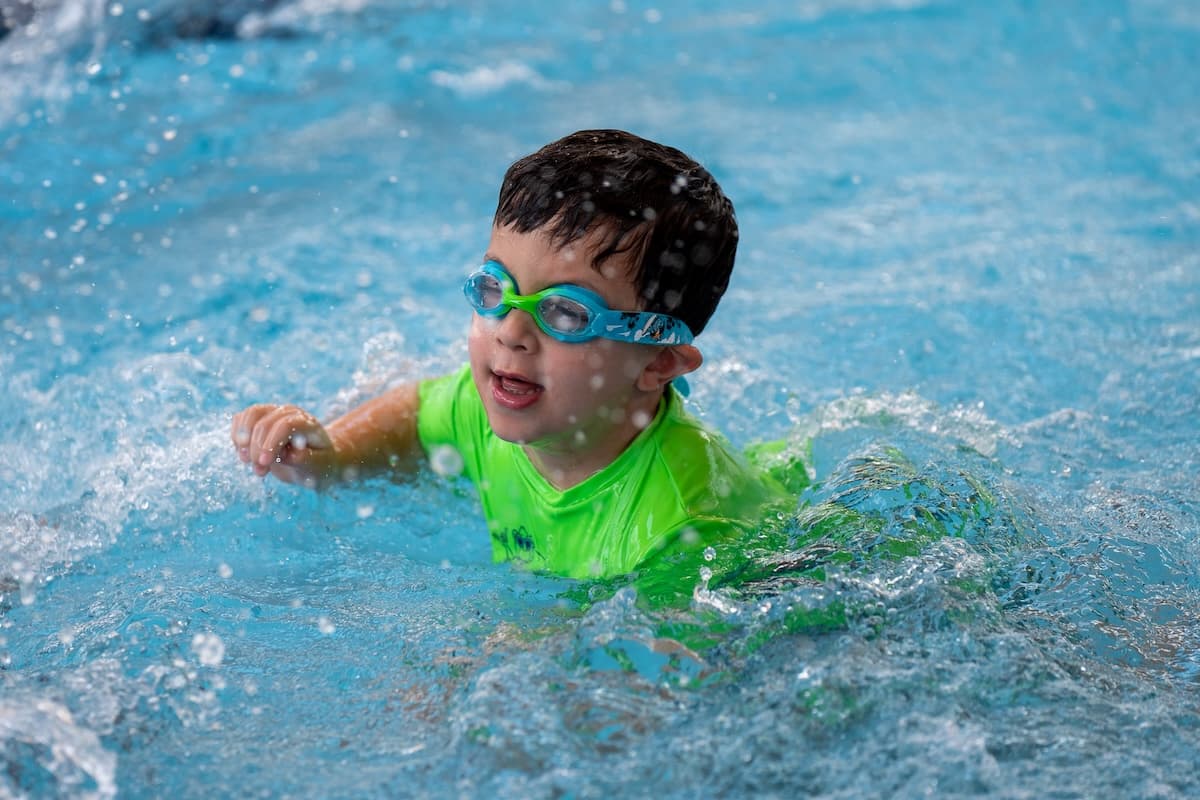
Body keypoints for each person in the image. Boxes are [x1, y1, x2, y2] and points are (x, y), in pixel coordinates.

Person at [231, 129, 791, 603]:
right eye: (496, 288)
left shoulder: (686, 527)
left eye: (566, 312)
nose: (511, 332)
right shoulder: (492, 400)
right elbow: (418, 413)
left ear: (659, 361)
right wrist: (331, 457)